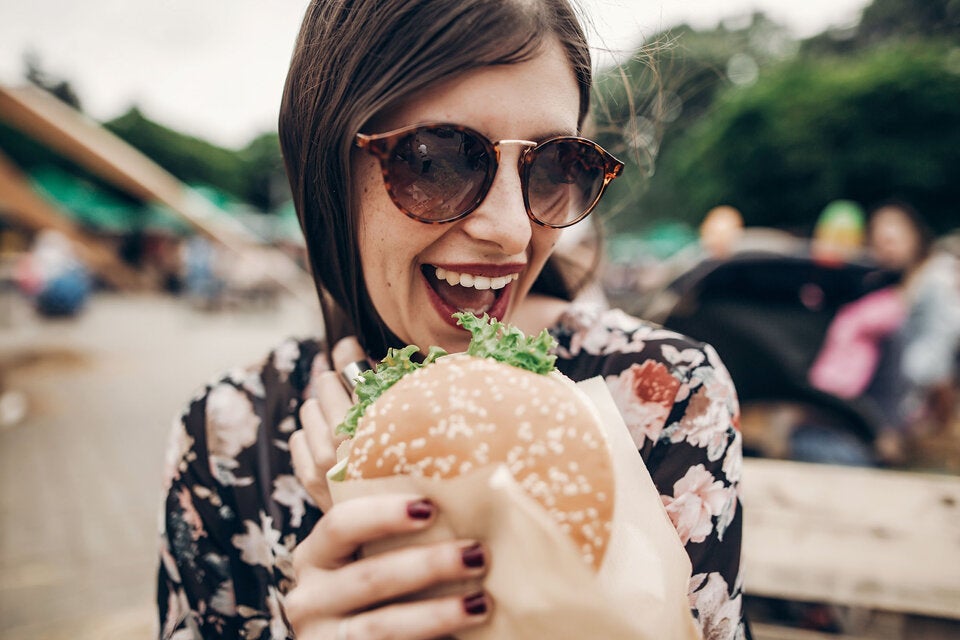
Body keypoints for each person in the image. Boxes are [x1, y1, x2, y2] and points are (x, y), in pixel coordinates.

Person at [157, 1, 747, 638]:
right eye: (437, 159)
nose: (511, 231)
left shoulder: (664, 396)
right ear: (325, 165)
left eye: (554, 166)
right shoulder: (225, 437)